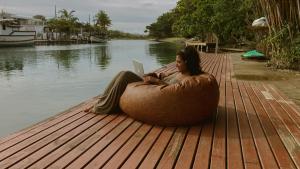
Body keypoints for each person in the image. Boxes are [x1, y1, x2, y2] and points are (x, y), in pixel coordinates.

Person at [86, 45, 203, 114]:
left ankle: (100, 108)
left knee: (125, 75)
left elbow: (173, 89)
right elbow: (167, 78)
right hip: (151, 84)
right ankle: (101, 101)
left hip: (153, 90)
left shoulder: (189, 79)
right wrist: (158, 75)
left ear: (188, 62)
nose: (176, 64)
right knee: (122, 73)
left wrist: (155, 81)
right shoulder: (180, 72)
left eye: (178, 62)